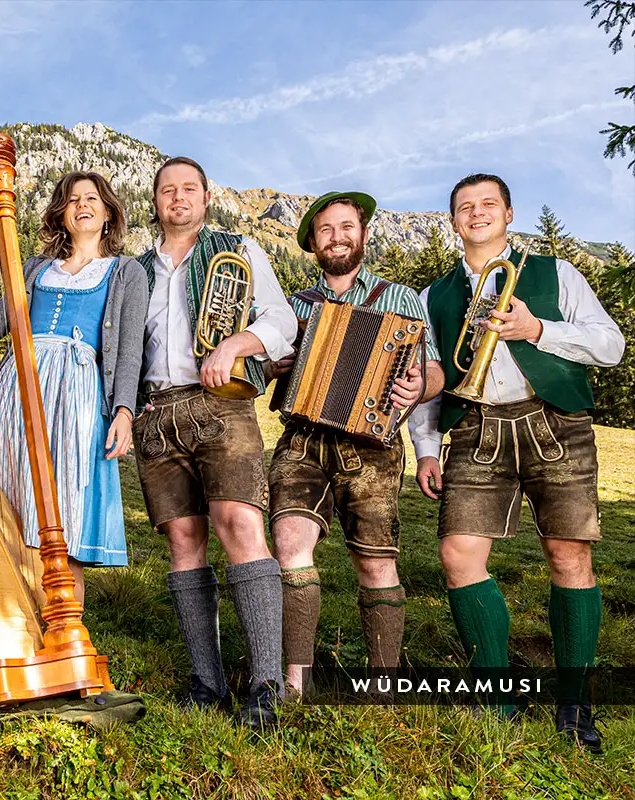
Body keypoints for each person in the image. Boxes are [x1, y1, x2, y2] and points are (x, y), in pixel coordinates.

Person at [409, 173, 624, 753]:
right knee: (458, 554)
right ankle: (498, 693)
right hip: (476, 425)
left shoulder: (556, 273)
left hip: (554, 421)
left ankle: (575, 704)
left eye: (487, 205)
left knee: (567, 553)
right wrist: (425, 449)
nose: (476, 214)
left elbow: (611, 345)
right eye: (464, 208)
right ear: (453, 221)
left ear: (508, 214)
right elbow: (428, 377)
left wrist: (538, 330)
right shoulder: (435, 295)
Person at [133, 156, 296, 729]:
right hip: (158, 411)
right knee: (183, 540)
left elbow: (282, 320)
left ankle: (266, 684)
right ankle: (206, 679)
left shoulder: (240, 247)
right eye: (166, 190)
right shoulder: (137, 268)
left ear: (205, 198)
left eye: (188, 189)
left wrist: (236, 345)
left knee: (240, 527)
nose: (177, 198)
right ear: (155, 201)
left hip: (222, 403)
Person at [0, 171, 150, 600]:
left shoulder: (126, 272)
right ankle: (15, 626)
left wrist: (124, 412)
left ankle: (60, 637)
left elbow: (129, 352)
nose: (82, 205)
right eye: (72, 199)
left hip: (77, 397)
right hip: (16, 391)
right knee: (8, 511)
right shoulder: (36, 268)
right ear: (61, 213)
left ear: (108, 213)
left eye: (92, 198)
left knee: (62, 523)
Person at [267, 191, 443, 698]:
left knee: (375, 561)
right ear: (312, 243)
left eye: (346, 227)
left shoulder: (401, 298)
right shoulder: (295, 307)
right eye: (326, 230)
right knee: (289, 544)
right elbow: (266, 372)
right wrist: (277, 366)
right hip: (302, 440)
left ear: (363, 234)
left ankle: (382, 684)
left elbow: (431, 371)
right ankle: (296, 681)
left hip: (373, 446)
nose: (337, 237)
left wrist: (419, 385)